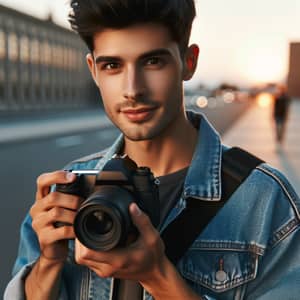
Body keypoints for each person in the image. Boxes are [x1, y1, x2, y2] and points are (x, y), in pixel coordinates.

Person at [4, 1, 300, 299]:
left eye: (152, 62)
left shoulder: (266, 201)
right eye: (112, 65)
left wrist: (158, 277)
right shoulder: (67, 190)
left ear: (188, 61)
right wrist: (48, 264)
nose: (133, 89)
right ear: (94, 71)